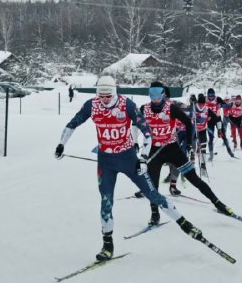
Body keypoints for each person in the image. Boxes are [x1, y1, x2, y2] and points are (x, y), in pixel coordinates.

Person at [54, 76, 205, 261]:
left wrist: (142, 157)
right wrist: (62, 144)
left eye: (108, 95)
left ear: (115, 92)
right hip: (106, 162)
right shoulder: (91, 105)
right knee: (106, 201)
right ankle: (107, 245)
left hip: (128, 160)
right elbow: (72, 123)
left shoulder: (127, 105)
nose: (104, 99)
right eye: (101, 95)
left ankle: (185, 224)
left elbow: (147, 132)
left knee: (152, 194)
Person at [137, 83, 234, 224]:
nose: (156, 99)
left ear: (163, 94)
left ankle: (218, 203)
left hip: (172, 149)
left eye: (158, 95)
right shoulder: (144, 108)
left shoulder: (171, 108)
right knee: (153, 186)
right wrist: (134, 143)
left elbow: (189, 123)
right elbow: (135, 124)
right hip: (154, 151)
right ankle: (155, 213)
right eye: (152, 95)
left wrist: (189, 144)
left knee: (194, 178)